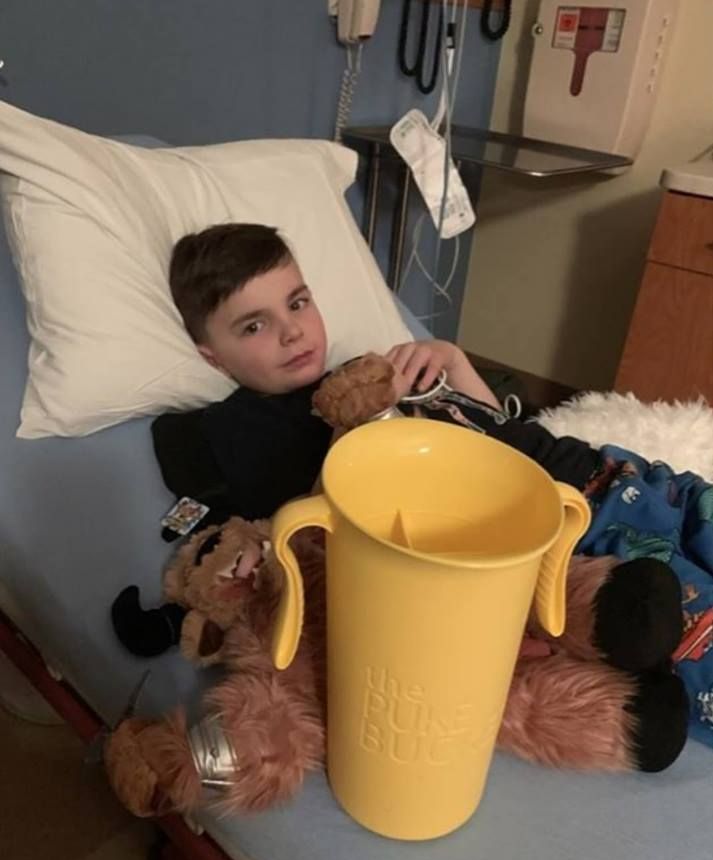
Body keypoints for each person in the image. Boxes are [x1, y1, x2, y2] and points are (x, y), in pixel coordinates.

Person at [157, 223, 713, 745]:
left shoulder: (371, 368)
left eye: (298, 303)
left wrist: (452, 361)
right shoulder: (250, 434)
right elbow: (320, 536)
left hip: (618, 474)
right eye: (255, 325)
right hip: (574, 531)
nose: (292, 330)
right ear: (212, 356)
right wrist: (353, 430)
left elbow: (500, 430)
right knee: (688, 623)